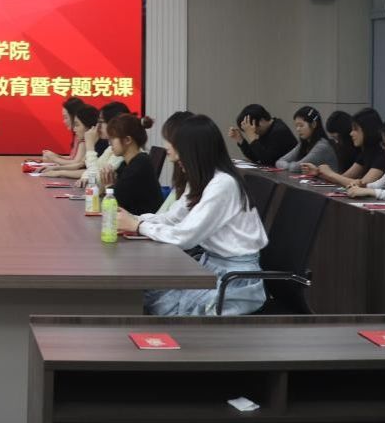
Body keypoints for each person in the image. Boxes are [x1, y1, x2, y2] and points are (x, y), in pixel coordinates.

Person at [119, 115, 268, 316]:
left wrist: (138, 226)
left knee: (159, 305)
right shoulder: (204, 180)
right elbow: (174, 217)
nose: (172, 152)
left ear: (194, 151)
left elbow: (185, 236)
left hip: (234, 281)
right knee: (148, 295)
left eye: (176, 146)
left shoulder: (223, 184)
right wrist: (134, 219)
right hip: (211, 267)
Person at [304, 107, 385, 187]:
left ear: (368, 130)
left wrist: (330, 174)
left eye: (355, 129)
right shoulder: (367, 151)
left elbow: (363, 185)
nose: (351, 133)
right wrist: (319, 172)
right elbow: (344, 177)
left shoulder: (383, 152)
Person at [106, 113, 163, 217]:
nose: (110, 143)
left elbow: (114, 201)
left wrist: (108, 186)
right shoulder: (127, 163)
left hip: (143, 223)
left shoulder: (139, 165)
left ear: (127, 140)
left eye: (112, 139)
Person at [41, 104, 101, 178]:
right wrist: (56, 169)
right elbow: (80, 165)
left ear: (89, 126)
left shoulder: (98, 145)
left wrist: (59, 171)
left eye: (77, 125)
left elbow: (92, 174)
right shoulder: (91, 141)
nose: (74, 129)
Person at [227, 104, 296, 168]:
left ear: (261, 121)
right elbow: (255, 157)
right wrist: (240, 139)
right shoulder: (267, 130)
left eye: (253, 129)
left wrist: (252, 138)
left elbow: (267, 161)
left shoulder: (279, 131)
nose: (253, 132)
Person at [275, 106, 338, 173]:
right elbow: (279, 162)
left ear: (314, 124)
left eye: (301, 125)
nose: (298, 129)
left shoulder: (322, 146)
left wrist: (288, 166)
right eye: (296, 126)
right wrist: (291, 166)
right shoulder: (304, 143)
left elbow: (297, 167)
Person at [41, 97, 89, 164]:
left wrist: (55, 159)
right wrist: (55, 156)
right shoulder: (77, 135)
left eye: (65, 117)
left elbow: (76, 163)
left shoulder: (83, 136)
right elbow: (72, 158)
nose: (64, 121)